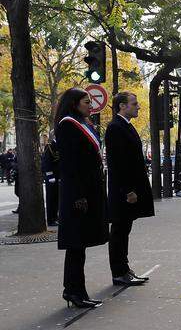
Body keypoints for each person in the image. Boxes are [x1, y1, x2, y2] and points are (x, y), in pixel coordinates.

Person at [55, 88, 109, 308]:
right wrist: (78, 195)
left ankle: (77, 290)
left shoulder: (84, 124)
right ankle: (74, 291)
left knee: (80, 245)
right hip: (77, 194)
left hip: (88, 191)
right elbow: (69, 163)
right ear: (74, 103)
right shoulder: (68, 125)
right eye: (86, 102)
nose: (90, 105)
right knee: (76, 244)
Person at [105, 92, 154, 288]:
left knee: (124, 230)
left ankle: (124, 269)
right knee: (119, 231)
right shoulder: (116, 127)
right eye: (134, 104)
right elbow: (118, 163)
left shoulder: (124, 125)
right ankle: (119, 272)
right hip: (123, 192)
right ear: (122, 106)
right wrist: (128, 191)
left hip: (128, 189)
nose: (138, 107)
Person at [42, 131, 60, 226]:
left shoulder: (60, 145)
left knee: (57, 198)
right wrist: (50, 176)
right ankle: (51, 219)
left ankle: (55, 217)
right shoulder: (49, 147)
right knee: (51, 199)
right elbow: (46, 163)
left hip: (58, 177)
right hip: (51, 178)